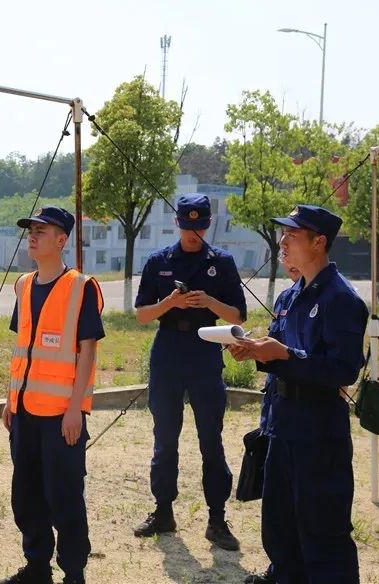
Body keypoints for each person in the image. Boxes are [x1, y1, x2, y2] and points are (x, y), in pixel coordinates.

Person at [230, 205, 366, 583]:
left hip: (318, 432)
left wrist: (286, 355)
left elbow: (342, 370)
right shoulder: (289, 297)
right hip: (282, 424)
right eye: (283, 234)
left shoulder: (342, 299)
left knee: (322, 533)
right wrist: (257, 351)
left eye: (292, 235)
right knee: (280, 527)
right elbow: (282, 359)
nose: (283, 243)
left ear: (319, 242)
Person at [132, 193, 246, 551]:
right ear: (177, 223)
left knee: (210, 438)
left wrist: (209, 302)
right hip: (168, 351)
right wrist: (171, 302)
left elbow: (238, 317)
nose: (192, 232)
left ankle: (216, 518)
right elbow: (141, 314)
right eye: (186, 225)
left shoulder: (222, 262)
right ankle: (163, 510)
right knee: (165, 437)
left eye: (198, 226)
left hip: (205, 351)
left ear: (208, 224)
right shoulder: (159, 261)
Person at [0, 207, 104, 584]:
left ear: (62, 240)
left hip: (62, 417)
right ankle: (36, 567)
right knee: (26, 496)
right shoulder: (24, 285)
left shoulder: (81, 286)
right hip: (24, 413)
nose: (33, 235)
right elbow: (23, 346)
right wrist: (10, 401)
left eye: (41, 230)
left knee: (65, 500)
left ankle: (73, 572)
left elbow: (88, 351)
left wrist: (76, 409)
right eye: (30, 229)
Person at [242, 257, 301, 584]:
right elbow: (274, 349)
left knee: (302, 505)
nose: (285, 259)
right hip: (276, 406)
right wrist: (252, 350)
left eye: (291, 247)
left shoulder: (333, 300)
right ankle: (279, 570)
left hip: (305, 414)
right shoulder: (285, 299)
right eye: (283, 254)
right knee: (276, 505)